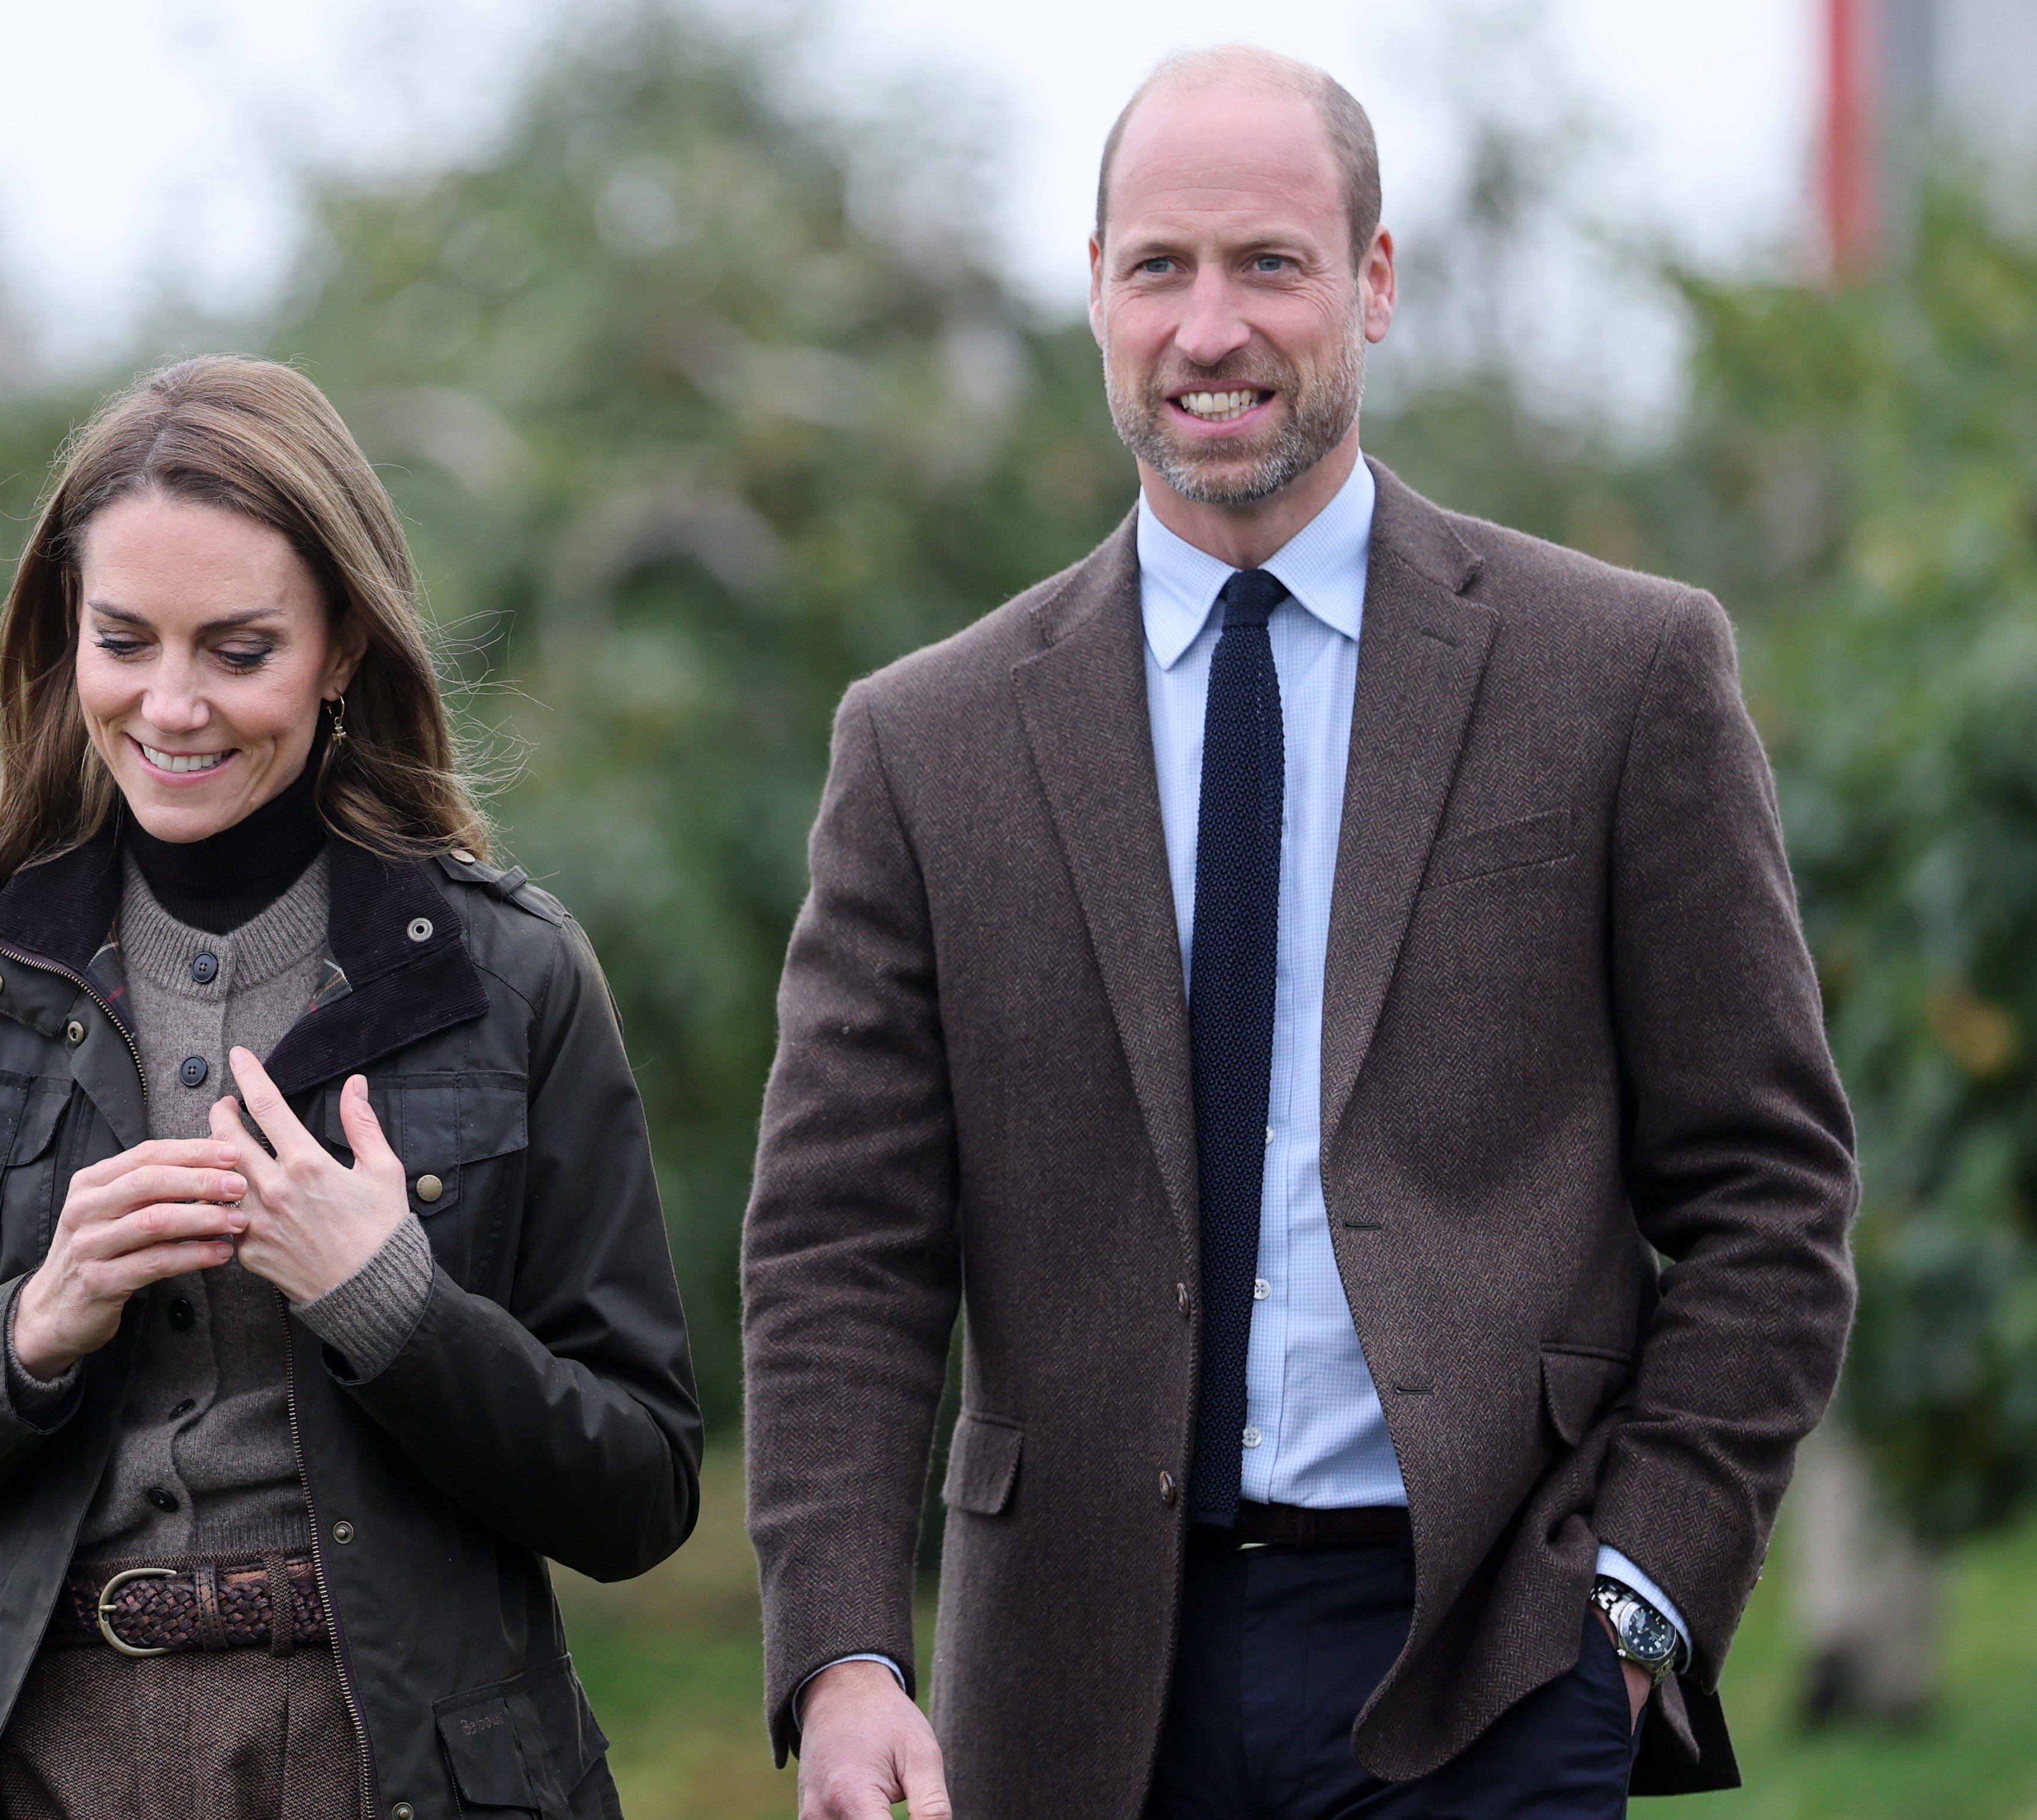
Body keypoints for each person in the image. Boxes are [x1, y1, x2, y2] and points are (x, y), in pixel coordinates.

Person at [741, 46, 1856, 1820]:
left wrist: (1635, 1601)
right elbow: (839, 1248)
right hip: (1065, 1681)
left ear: (1373, 283)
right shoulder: (923, 740)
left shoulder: (1616, 674)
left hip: (1488, 1657)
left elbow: (1766, 1190)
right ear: (1091, 290)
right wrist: (843, 1650)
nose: (1207, 329)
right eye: (1155, 269)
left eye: (1265, 263)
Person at [0, 355, 699, 1820]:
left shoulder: (509, 978)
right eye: (125, 639)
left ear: (341, 646)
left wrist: (394, 1305)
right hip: (45, 1762)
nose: (173, 704)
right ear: (63, 634)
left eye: (239, 648)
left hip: (398, 1767)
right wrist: (34, 1322)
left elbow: (644, 1485)